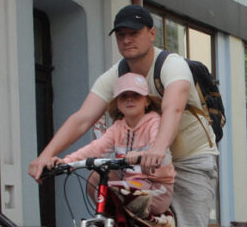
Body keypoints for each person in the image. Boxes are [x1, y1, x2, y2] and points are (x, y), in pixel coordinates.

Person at [28, 5, 219, 227]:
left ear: (151, 34)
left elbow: (174, 108)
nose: (127, 39)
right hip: (142, 159)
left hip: (190, 157)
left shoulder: (171, 65)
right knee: (118, 205)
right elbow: (84, 118)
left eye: (134, 31)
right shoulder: (116, 76)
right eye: (121, 34)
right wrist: (48, 155)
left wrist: (158, 149)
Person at [58, 73, 175, 218]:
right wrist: (66, 162)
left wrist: (140, 155)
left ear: (147, 102)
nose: (129, 99)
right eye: (123, 96)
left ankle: (122, 221)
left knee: (128, 191)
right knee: (96, 177)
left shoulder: (153, 122)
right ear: (118, 104)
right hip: (129, 186)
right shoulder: (118, 128)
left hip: (156, 188)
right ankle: (109, 222)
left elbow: (156, 146)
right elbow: (96, 148)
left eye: (136, 95)